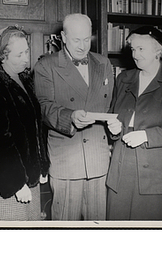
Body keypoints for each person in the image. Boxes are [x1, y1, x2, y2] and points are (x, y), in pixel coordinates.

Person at [106, 26, 162, 220]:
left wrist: (146, 135)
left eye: (141, 49)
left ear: (158, 51)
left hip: (158, 174)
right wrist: (114, 128)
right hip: (122, 170)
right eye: (133, 49)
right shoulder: (123, 78)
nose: (135, 54)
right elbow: (114, 117)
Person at [34, 13, 114, 220]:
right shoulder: (46, 65)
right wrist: (70, 117)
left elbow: (109, 106)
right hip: (67, 159)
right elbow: (44, 107)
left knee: (97, 225)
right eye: (76, 40)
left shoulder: (104, 64)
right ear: (63, 37)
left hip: (98, 157)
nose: (82, 46)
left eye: (87, 39)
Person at [0, 25, 50, 221]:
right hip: (8, 186)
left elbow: (35, 128)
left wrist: (42, 166)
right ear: (3, 56)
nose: (27, 58)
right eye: (20, 55)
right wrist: (16, 182)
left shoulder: (25, 81)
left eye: (27, 51)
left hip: (30, 181)